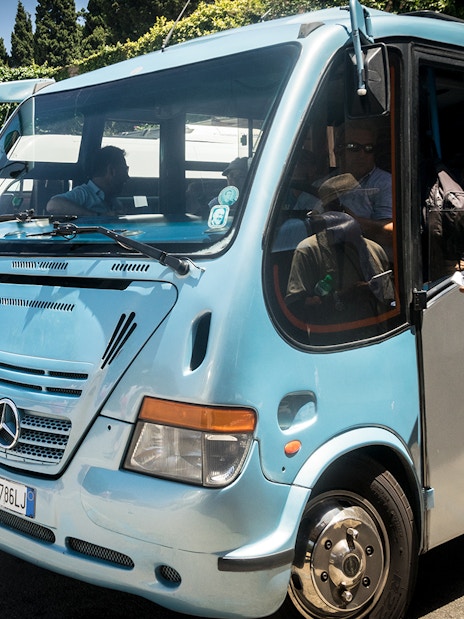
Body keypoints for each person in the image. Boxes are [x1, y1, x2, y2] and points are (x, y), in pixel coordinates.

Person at [285, 173, 394, 326]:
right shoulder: (308, 250)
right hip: (332, 343)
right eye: (340, 206)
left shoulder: (375, 250)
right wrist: (343, 297)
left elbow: (388, 302)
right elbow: (296, 310)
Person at [334, 120, 393, 247]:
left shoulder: (385, 183)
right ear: (337, 151)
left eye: (368, 149)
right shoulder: (321, 184)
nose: (362, 154)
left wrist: (350, 221)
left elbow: (389, 233)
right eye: (353, 147)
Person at [47, 146, 129, 216]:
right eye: (125, 171)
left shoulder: (113, 200)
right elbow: (53, 205)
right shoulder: (84, 193)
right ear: (111, 171)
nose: (127, 177)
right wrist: (96, 215)